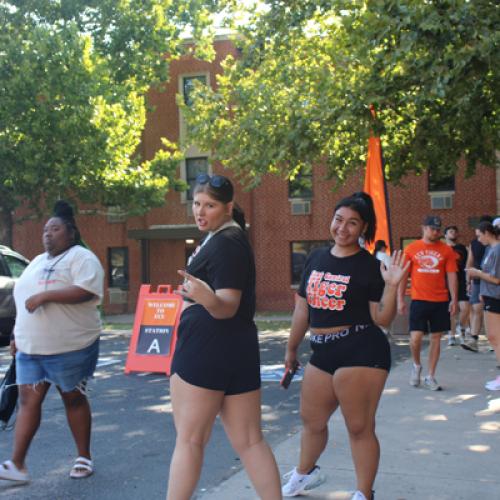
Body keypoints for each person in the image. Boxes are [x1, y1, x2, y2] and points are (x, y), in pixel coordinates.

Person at [281, 192, 409, 500]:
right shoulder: (315, 258)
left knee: (358, 427)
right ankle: (304, 474)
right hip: (322, 350)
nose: (343, 228)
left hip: (361, 349)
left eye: (353, 223)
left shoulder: (368, 266)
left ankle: (363, 493)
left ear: (363, 228)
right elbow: (303, 309)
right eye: (339, 220)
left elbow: (382, 318)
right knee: (311, 421)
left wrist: (392, 286)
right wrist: (291, 349)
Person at [166, 174, 281, 500]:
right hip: (236, 346)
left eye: (210, 205)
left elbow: (226, 306)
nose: (201, 212)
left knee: (190, 440)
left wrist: (203, 296)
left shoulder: (226, 243)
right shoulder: (225, 239)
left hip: (209, 346)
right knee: (250, 440)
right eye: (197, 203)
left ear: (228, 207)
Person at [0, 200, 104, 483]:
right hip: (31, 349)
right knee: (27, 402)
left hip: (70, 348)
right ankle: (17, 465)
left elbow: (86, 291)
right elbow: (23, 300)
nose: (47, 233)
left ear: (70, 232)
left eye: (55, 229)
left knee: (72, 398)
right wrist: (16, 335)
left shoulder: (81, 258)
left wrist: (46, 296)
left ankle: (84, 456)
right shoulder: (35, 261)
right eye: (45, 229)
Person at [398, 215, 458, 391]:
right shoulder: (411, 249)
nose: (436, 232)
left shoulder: (446, 250)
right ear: (423, 228)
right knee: (415, 338)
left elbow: (452, 276)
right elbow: (403, 275)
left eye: (438, 229)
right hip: (419, 299)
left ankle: (430, 376)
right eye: (433, 229)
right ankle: (416, 366)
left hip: (440, 300)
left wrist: (454, 299)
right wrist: (400, 298)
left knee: (436, 338)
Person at [465, 221, 500, 390]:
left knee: (495, 338)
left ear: (487, 232)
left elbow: (496, 279)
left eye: (479, 236)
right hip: (490, 296)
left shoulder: (497, 249)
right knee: (494, 338)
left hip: (495, 298)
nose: (478, 240)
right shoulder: (491, 250)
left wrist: (477, 273)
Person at [464, 215, 493, 352]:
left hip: (490, 279)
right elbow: (470, 261)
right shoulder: (474, 243)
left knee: (488, 310)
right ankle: (474, 339)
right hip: (477, 279)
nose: (479, 237)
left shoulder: (494, 245)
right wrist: (468, 280)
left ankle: (492, 339)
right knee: (477, 308)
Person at [443, 225, 470, 346]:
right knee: (452, 311)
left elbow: (467, 265)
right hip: (447, 283)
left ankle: (461, 327)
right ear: (445, 235)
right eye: (450, 231)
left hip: (462, 281)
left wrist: (469, 281)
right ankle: (452, 335)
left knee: (465, 308)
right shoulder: (442, 249)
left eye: (455, 231)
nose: (453, 233)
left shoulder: (462, 248)